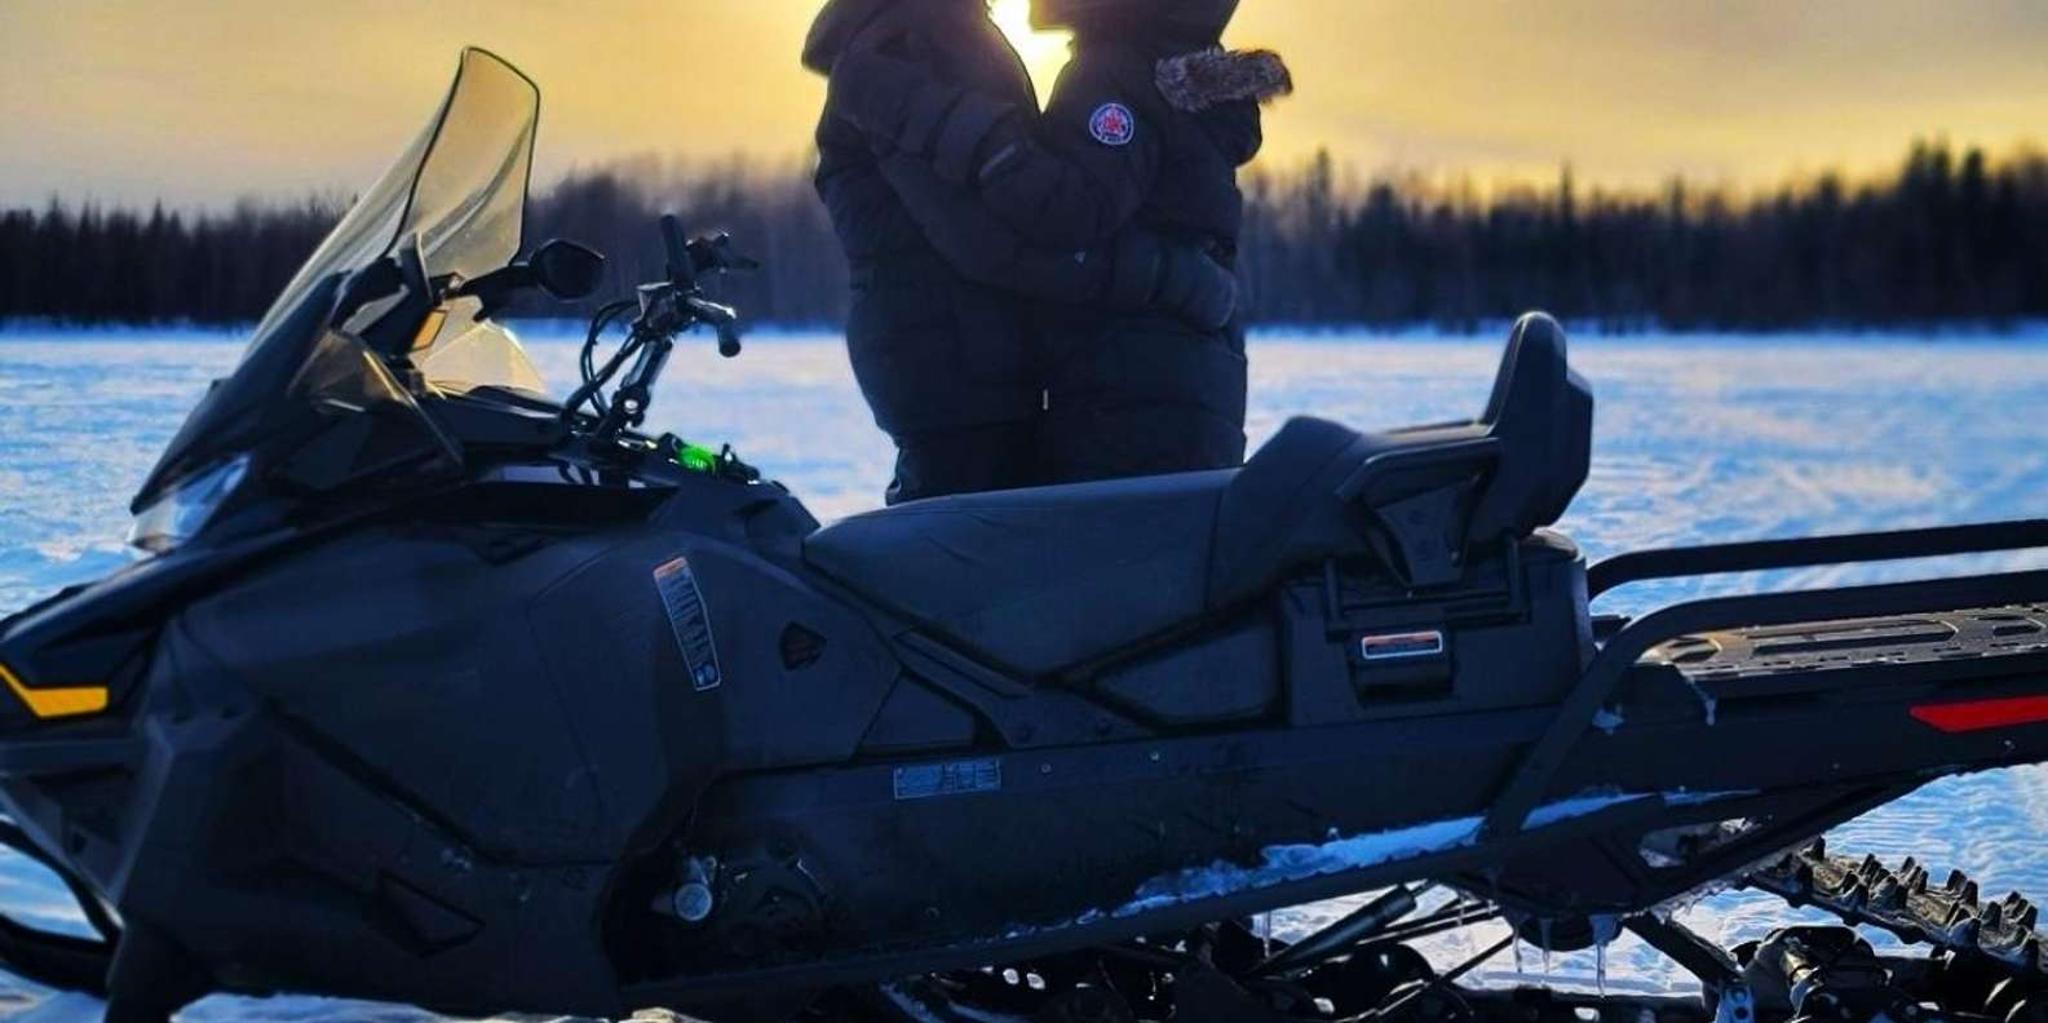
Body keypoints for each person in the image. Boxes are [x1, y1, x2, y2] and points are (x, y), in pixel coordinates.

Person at [826, 0, 1291, 483]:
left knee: (1112, 547)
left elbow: (1064, 213)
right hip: (1177, 379)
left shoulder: (1117, 72)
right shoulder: (1161, 67)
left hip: (1131, 382)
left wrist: (971, 132)